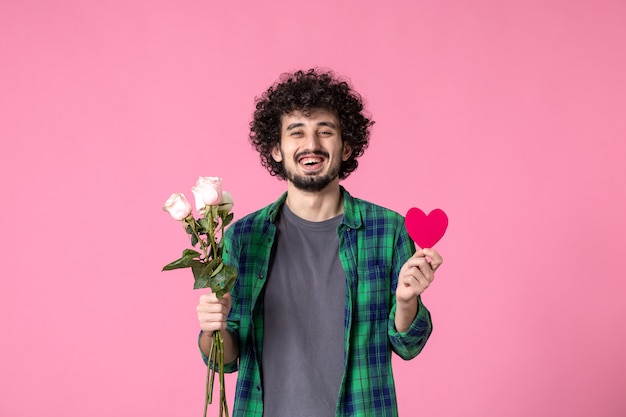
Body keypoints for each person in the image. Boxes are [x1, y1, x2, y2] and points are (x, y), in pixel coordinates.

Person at [196, 68, 443, 417]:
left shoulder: (388, 231)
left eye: (324, 132)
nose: (311, 145)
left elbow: (409, 345)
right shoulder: (243, 237)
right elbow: (226, 360)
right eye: (296, 133)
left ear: (346, 147)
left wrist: (407, 302)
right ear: (276, 150)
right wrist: (213, 329)